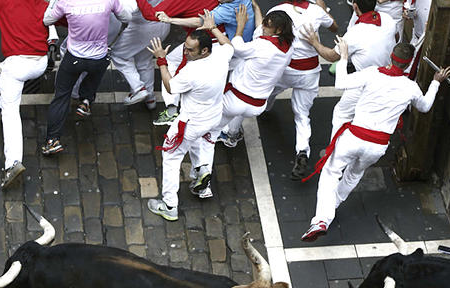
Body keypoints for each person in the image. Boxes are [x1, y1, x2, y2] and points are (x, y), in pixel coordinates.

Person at [300, 41, 450, 242]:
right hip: (377, 146)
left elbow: (340, 83)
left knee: (330, 173)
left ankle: (321, 219)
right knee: (354, 174)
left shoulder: (372, 73)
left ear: (391, 56)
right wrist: (436, 81)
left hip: (354, 137)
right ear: (407, 65)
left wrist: (344, 56)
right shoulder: (411, 87)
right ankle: (331, 208)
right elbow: (424, 107)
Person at [146, 23, 234, 221]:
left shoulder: (191, 72)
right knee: (198, 143)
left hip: (190, 122)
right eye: (185, 47)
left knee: (170, 158)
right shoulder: (221, 56)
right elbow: (228, 44)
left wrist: (161, 60)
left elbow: (169, 86)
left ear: (204, 50)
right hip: (212, 116)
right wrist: (213, 28)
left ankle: (169, 205)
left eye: (190, 49)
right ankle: (201, 171)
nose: (185, 52)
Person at [0, 0, 58, 188]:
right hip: (40, 63)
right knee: (7, 98)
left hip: (16, 65)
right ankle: (0, 106)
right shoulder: (43, 5)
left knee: (11, 111)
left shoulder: (5, 3)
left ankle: (12, 163)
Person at [136, 0, 254, 125]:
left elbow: (198, 21)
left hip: (208, 43)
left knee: (182, 72)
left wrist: (170, 20)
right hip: (220, 40)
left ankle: (172, 111)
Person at [41, 0, 132, 156]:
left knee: (61, 96)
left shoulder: (66, 2)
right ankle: (85, 101)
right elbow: (126, 17)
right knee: (92, 79)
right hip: (99, 57)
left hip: (74, 57)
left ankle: (52, 140)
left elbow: (47, 20)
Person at [263, 0, 337, 180]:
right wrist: (322, 9)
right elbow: (334, 27)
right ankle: (302, 150)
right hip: (309, 72)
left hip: (286, 68)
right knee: (302, 115)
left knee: (268, 92)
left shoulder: (277, 10)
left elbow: (262, 34)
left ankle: (265, 109)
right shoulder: (316, 11)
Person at [302, 0, 397, 138]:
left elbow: (331, 56)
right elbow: (396, 37)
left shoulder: (355, 33)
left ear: (355, 6)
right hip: (386, 80)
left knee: (341, 115)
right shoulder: (388, 19)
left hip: (363, 84)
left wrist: (314, 42)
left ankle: (334, 150)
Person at [217, 6, 294, 148]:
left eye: (267, 25)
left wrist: (240, 26)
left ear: (278, 30)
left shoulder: (262, 45)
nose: (263, 27)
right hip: (257, 104)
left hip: (234, 100)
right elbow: (260, 27)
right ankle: (232, 135)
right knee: (240, 112)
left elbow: (237, 47)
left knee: (209, 129)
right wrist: (257, 8)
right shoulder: (289, 47)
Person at [108, 0, 169, 109]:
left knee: (118, 54)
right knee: (144, 60)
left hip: (143, 27)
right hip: (163, 22)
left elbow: (126, 12)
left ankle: (138, 88)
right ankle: (150, 99)